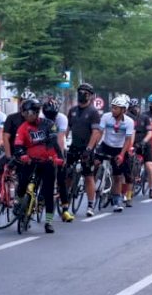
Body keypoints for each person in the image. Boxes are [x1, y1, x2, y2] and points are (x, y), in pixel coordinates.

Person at [13, 98, 65, 233]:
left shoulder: (48, 124)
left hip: (47, 161)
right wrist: (22, 155)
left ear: (36, 112)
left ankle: (48, 222)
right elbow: (18, 144)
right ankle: (19, 202)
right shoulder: (23, 127)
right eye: (24, 114)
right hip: (30, 161)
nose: (27, 117)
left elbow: (54, 143)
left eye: (29, 113)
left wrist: (58, 158)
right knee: (22, 184)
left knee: (48, 192)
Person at [88, 94, 135, 213]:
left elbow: (128, 140)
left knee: (117, 176)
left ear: (123, 110)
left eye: (116, 108)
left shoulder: (129, 122)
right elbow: (99, 132)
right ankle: (91, 192)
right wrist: (94, 147)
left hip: (119, 148)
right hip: (105, 146)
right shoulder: (106, 117)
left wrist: (122, 155)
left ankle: (116, 200)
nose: (113, 110)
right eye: (112, 107)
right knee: (95, 163)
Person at [66, 82, 102, 217]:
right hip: (74, 146)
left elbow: (95, 132)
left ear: (91, 96)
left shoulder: (93, 113)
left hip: (87, 148)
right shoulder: (73, 110)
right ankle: (65, 201)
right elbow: (67, 129)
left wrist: (89, 149)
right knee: (67, 174)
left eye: (85, 93)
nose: (82, 95)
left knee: (88, 176)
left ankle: (90, 204)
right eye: (80, 92)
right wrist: (63, 143)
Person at [42, 100, 75, 222]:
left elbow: (61, 139)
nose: (51, 118)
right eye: (48, 116)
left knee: (61, 178)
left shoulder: (62, 118)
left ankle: (65, 209)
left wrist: (60, 157)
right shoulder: (40, 118)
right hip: (44, 148)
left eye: (53, 116)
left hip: (59, 148)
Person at [125, 98, 152, 208]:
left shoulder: (145, 118)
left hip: (145, 145)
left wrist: (143, 142)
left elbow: (149, 133)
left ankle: (151, 189)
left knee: (149, 167)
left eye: (136, 108)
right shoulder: (128, 118)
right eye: (132, 108)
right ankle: (129, 195)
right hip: (132, 145)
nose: (134, 110)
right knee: (131, 170)